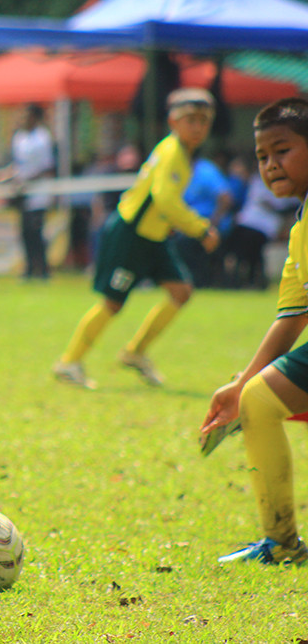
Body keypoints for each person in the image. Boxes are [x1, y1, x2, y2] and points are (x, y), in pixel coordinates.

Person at [200, 97, 308, 566]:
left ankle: (282, 544)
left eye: (282, 150)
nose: (270, 164)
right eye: (262, 156)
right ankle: (281, 542)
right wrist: (242, 384)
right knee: (259, 400)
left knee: (262, 400)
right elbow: (292, 315)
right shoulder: (301, 225)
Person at [52, 88, 220, 389]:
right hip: (131, 235)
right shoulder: (171, 153)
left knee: (181, 292)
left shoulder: (181, 153)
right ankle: (69, 361)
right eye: (190, 119)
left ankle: (135, 352)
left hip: (154, 238)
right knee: (113, 303)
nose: (197, 127)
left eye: (204, 121)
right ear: (173, 121)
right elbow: (165, 200)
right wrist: (200, 228)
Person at [0, 104, 55, 280]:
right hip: (21, 191)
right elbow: (18, 165)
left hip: (39, 193)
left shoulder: (43, 138)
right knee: (25, 231)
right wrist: (7, 175)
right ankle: (29, 268)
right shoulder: (19, 138)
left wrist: (28, 181)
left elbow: (47, 167)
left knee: (36, 231)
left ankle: (42, 269)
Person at [221, 174, 299, 289]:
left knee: (251, 255)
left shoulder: (287, 187)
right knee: (239, 254)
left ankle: (252, 281)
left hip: (263, 227)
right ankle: (238, 281)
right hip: (246, 223)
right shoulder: (258, 180)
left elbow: (287, 205)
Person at [172, 152, 235, 288]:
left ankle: (201, 282)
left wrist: (214, 221)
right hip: (189, 225)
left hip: (210, 224)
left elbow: (225, 198)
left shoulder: (206, 171)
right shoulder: (180, 173)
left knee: (186, 243)